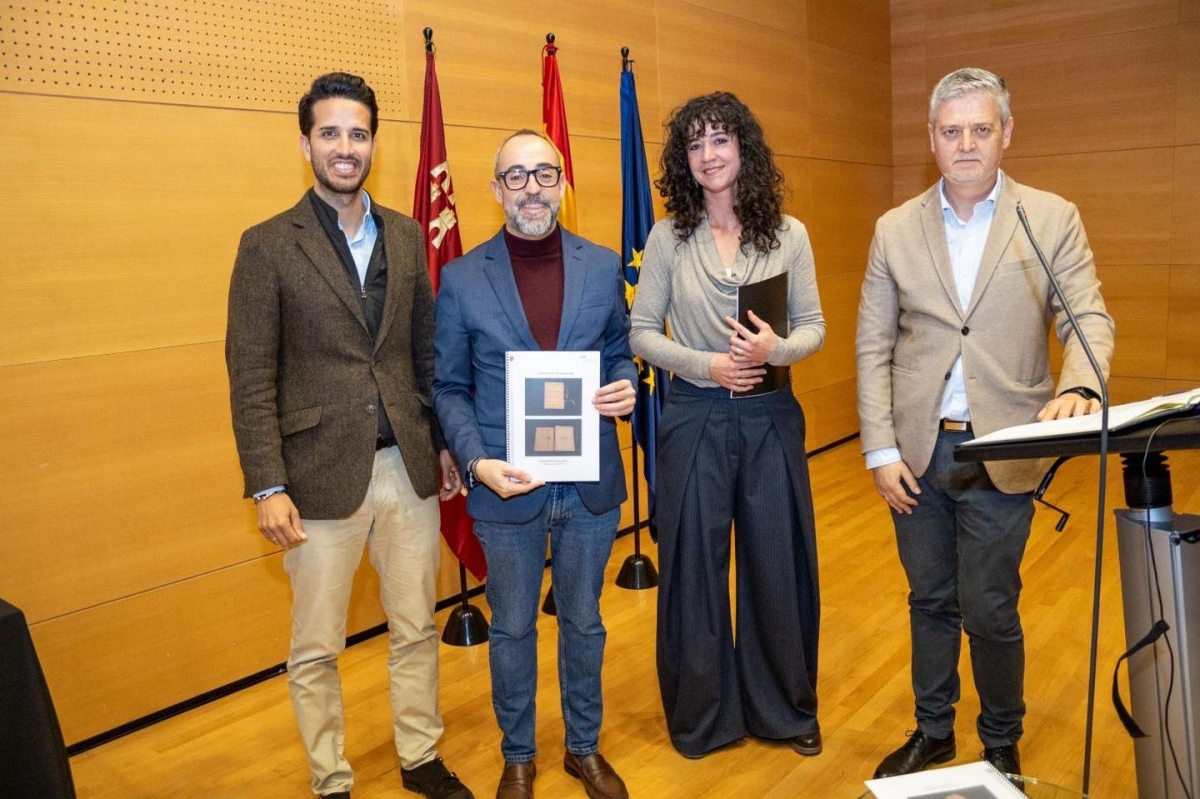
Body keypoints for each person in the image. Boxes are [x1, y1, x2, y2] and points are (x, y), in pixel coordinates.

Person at [856, 67, 1114, 779]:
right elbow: (873, 343)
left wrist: (1082, 384)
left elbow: (1085, 313)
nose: (965, 143)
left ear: (1006, 133)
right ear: (931, 140)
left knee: (991, 605)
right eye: (951, 131)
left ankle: (1001, 738)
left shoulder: (1050, 215)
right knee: (929, 597)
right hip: (916, 448)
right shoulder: (894, 228)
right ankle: (933, 728)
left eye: (980, 128)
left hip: (1005, 444)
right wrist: (879, 445)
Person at [225, 72, 473, 799]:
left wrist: (447, 441)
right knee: (315, 648)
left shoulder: (403, 232)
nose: (344, 146)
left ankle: (421, 754)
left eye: (357, 133)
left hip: (408, 468)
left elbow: (425, 351)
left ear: (373, 144)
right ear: (305, 143)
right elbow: (250, 375)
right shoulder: (267, 245)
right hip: (315, 479)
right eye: (329, 132)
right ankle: (330, 777)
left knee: (416, 627)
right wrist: (267, 484)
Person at [432, 130, 637, 799]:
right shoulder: (462, 279)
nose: (531, 188)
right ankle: (518, 754)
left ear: (561, 184)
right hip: (505, 485)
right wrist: (475, 461)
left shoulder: (603, 265)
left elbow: (615, 350)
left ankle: (583, 748)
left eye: (543, 174)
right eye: (515, 176)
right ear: (496, 190)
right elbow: (447, 387)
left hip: (586, 486)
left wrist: (624, 384)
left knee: (583, 620)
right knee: (514, 626)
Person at [629, 92, 826, 760]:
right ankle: (704, 716)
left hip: (772, 417)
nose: (709, 155)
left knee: (777, 561)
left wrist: (776, 350)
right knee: (694, 567)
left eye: (721, 140)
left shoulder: (789, 235)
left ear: (744, 148)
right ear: (684, 161)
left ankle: (785, 710)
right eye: (695, 144)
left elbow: (814, 329)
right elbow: (641, 333)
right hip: (694, 418)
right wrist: (707, 364)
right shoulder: (667, 237)